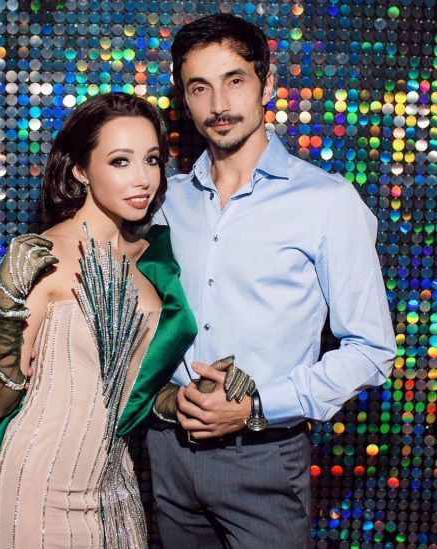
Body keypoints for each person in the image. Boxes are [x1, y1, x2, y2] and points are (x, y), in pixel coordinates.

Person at [147, 14, 396, 549]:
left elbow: (372, 351)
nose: (218, 104)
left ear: (267, 83)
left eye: (234, 80)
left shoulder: (326, 202)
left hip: (262, 457)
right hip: (167, 452)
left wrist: (257, 406)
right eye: (199, 87)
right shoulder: (165, 202)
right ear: (184, 98)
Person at [0, 93, 197, 549]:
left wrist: (185, 399)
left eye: (151, 160)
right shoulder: (42, 255)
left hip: (117, 485)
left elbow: (128, 384)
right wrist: (3, 303)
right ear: (81, 170)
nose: (143, 178)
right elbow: (0, 402)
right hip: (37, 485)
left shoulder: (153, 259)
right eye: (120, 161)